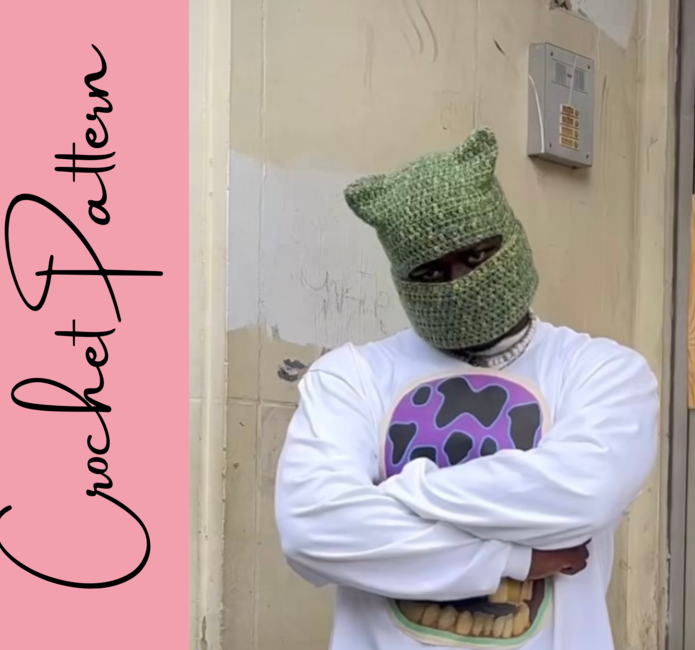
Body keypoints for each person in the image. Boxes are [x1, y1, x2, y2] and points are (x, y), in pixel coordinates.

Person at [274, 127, 659, 650]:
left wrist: (398, 493)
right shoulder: (350, 377)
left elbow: (583, 495)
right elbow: (314, 531)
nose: (459, 283)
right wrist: (514, 558)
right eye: (432, 272)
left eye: (476, 256)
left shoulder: (604, 372)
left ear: (511, 239)